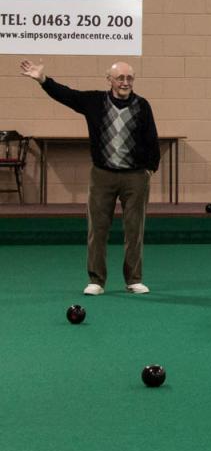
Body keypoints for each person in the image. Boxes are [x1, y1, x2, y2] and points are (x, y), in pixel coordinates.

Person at [20, 60, 160, 295]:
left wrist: (150, 169)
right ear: (110, 80)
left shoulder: (142, 105)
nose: (125, 82)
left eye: (129, 78)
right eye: (120, 78)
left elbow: (151, 138)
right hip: (102, 175)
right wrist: (43, 80)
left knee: (135, 229)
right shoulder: (95, 101)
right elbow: (67, 96)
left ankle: (134, 279)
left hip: (135, 177)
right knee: (98, 229)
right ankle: (96, 281)